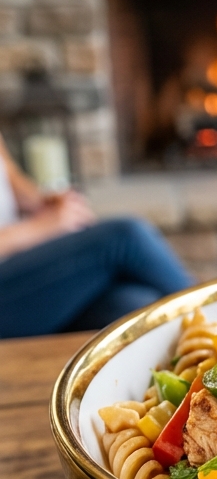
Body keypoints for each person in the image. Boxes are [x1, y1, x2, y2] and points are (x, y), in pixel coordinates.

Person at [0, 131, 194, 337]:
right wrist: (43, 225)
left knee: (137, 303)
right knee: (124, 237)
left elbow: (9, 175)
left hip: (21, 269)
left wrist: (45, 201)